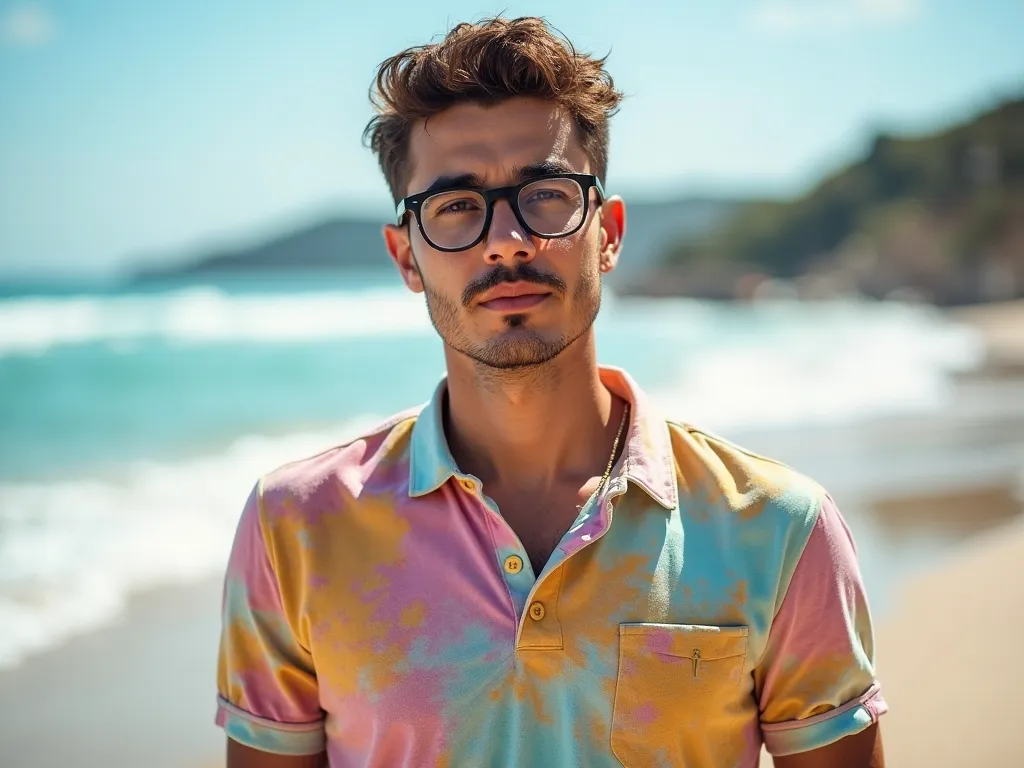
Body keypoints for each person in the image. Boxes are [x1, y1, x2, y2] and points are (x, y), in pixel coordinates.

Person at [215, 16, 887, 768]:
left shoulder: (777, 528)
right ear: (407, 256)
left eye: (545, 194)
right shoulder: (298, 528)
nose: (507, 240)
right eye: (457, 206)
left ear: (608, 231)